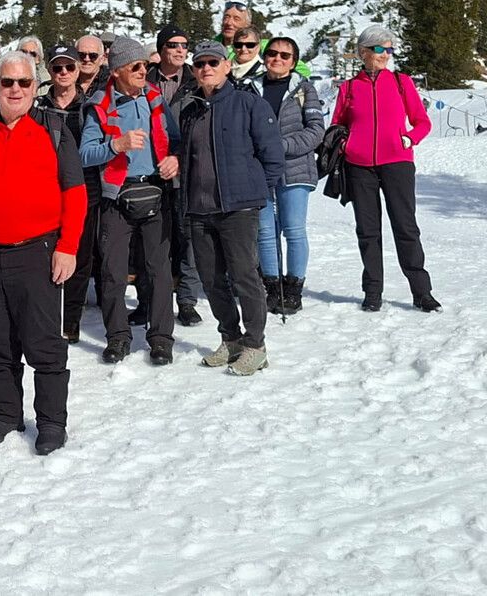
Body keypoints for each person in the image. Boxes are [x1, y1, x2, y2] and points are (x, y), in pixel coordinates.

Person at [0, 52, 86, 455]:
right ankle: (5, 415)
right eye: (7, 83)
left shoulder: (53, 129)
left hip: (39, 251)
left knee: (44, 345)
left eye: (23, 83)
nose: (15, 89)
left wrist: (67, 248)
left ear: (35, 87)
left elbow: (76, 194)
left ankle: (50, 422)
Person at [177, 42, 285, 376]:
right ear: (194, 71)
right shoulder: (190, 109)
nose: (206, 68)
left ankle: (256, 345)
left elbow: (273, 156)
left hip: (238, 207)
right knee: (211, 280)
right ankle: (231, 338)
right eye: (200, 64)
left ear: (226, 66)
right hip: (199, 207)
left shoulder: (248, 103)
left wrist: (251, 190)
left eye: (213, 62)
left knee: (244, 275)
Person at [80, 37, 180, 365]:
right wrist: (116, 145)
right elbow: (84, 153)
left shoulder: (155, 100)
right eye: (136, 66)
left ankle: (161, 339)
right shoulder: (99, 104)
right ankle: (117, 337)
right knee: (112, 271)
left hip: (155, 192)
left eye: (145, 65)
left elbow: (176, 141)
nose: (144, 71)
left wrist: (174, 160)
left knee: (159, 270)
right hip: (116, 197)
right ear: (119, 71)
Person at [331, 25, 438, 313]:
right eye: (380, 49)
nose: (385, 54)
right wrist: (345, 145)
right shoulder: (349, 88)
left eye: (389, 49)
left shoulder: (402, 82)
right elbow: (336, 126)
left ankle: (421, 292)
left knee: (405, 228)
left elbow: (423, 122)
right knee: (367, 231)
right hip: (359, 166)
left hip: (398, 164)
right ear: (364, 52)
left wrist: (409, 138)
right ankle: (373, 291)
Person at [247, 36, 325, 315]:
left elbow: (316, 130)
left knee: (293, 229)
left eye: (284, 55)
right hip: (259, 170)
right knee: (265, 232)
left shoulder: (304, 90)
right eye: (272, 53)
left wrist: (283, 145)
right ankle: (272, 287)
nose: (277, 59)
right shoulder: (251, 88)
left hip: (295, 168)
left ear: (293, 62)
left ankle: (293, 289)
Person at [144, 25, 205, 326]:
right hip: (149, 170)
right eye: (174, 45)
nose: (181, 50)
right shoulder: (144, 79)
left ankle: (187, 300)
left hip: (187, 169)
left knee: (187, 236)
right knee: (152, 238)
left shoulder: (197, 80)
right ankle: (150, 301)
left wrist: (180, 158)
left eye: (185, 44)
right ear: (162, 48)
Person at [38, 44, 94, 341]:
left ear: (77, 71)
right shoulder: (39, 108)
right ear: (49, 71)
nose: (63, 73)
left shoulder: (90, 107)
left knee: (79, 257)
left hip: (84, 189)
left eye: (69, 67)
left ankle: (70, 320)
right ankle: (48, 316)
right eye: (57, 68)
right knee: (48, 255)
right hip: (47, 190)